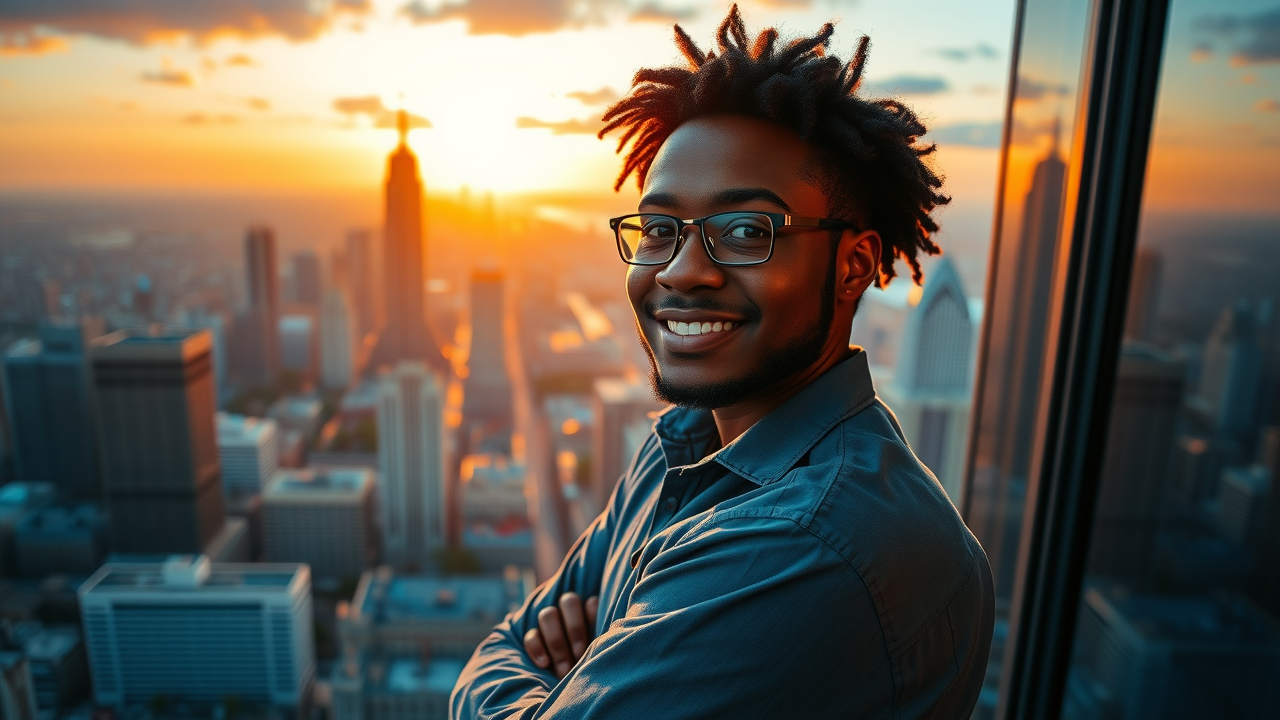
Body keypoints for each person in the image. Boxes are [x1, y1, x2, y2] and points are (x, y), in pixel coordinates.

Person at [450, 6, 994, 718]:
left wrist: (562, 675)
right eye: (659, 228)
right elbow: (504, 644)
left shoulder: (812, 543)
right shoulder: (677, 445)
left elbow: (497, 664)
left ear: (853, 265)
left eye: (745, 230)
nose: (682, 271)